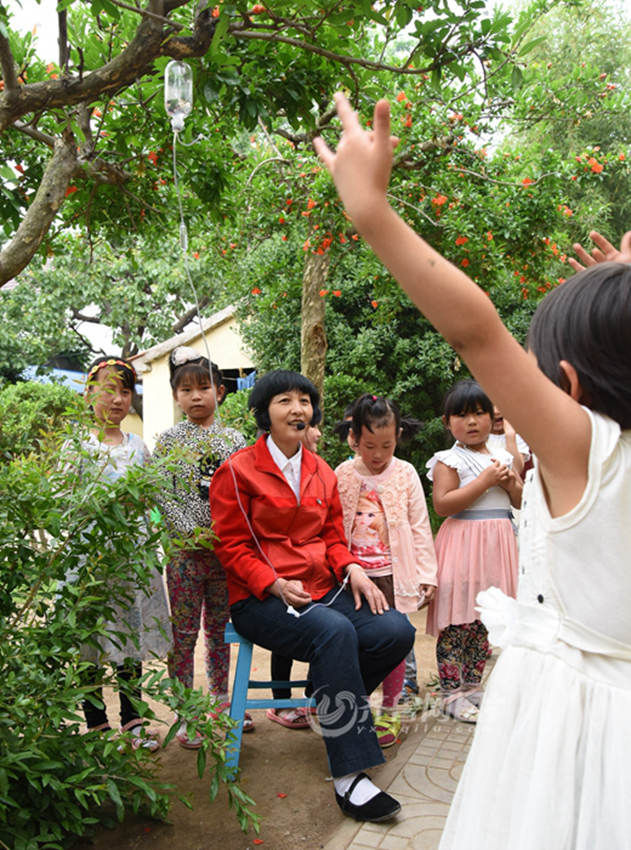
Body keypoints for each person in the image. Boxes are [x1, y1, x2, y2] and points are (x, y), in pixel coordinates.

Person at [315, 94, 631, 847]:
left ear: (569, 383)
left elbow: (473, 328)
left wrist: (373, 215)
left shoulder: (588, 449)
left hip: (575, 721)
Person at [210, 370, 415, 823]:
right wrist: (271, 582)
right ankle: (350, 777)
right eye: (284, 400)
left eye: (304, 400)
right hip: (260, 599)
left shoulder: (320, 471)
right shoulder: (237, 470)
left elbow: (330, 536)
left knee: (395, 629)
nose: (298, 408)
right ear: (264, 413)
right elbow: (231, 545)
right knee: (335, 631)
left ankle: (328, 697)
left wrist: (353, 568)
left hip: (322, 589)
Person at [71, 356, 171, 751]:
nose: (117, 400)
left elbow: (149, 497)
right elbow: (66, 500)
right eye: (109, 388)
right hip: (89, 561)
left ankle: (132, 719)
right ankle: (95, 723)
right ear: (89, 392)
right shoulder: (75, 446)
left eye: (125, 391)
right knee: (90, 641)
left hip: (131, 560)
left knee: (130, 635)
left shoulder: (137, 446)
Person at [152, 347, 249, 748]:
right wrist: (192, 532)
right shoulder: (168, 441)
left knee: (220, 631)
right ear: (176, 396)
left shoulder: (235, 440)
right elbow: (162, 492)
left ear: (220, 392)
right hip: (185, 556)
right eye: (186, 390)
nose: (196, 396)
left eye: (204, 387)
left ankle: (220, 703)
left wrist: (225, 534)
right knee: (185, 631)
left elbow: (244, 493)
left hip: (225, 556)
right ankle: (185, 711)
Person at [335, 393, 437, 746]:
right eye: (368, 445)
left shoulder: (405, 473)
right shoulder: (342, 474)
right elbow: (332, 528)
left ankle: (391, 712)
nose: (377, 455)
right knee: (354, 645)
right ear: (354, 437)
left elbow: (420, 525)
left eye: (387, 445)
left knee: (396, 643)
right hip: (353, 579)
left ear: (399, 437)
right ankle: (357, 711)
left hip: (395, 574)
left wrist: (427, 575)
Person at [426, 380, 521, 723]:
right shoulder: (448, 460)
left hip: (498, 544)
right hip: (464, 543)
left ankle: (473, 687)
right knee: (459, 620)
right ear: (447, 421)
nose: (472, 421)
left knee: (485, 621)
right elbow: (443, 504)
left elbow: (522, 500)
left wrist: (510, 482)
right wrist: (484, 482)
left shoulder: (504, 456)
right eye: (462, 415)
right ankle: (452, 693)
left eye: (479, 413)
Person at [267, 419, 322, 730]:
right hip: (278, 573)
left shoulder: (319, 470)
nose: (315, 433)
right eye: (310, 427)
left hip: (311, 574)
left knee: (325, 622)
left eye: (314, 426)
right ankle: (281, 698)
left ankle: (313, 695)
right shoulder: (270, 468)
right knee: (285, 629)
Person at [488, 405, 530, 476]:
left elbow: (516, 470)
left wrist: (510, 436)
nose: (496, 411)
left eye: (499, 405)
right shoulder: (476, 436)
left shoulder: (518, 436)